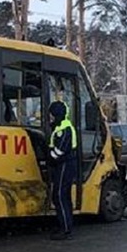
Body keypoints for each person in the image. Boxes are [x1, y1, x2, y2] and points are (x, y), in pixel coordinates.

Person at [47, 100, 79, 241]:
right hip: (64, 164)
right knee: (63, 196)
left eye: (52, 115)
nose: (50, 117)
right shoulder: (60, 127)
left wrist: (49, 156)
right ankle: (65, 225)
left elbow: (59, 151)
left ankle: (65, 229)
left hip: (65, 164)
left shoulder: (65, 129)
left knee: (59, 195)